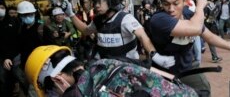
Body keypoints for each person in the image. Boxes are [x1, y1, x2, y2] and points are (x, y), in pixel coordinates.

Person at [149, 0, 230, 97]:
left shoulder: (189, 14)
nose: (171, 9)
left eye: (176, 3)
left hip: (187, 68)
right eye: (166, 4)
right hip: (163, 73)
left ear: (184, 0)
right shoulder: (159, 19)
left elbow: (209, 36)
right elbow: (195, 28)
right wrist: (200, 6)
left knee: (203, 90)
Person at [63, 0, 175, 69]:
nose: (96, 5)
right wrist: (71, 14)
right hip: (108, 70)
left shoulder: (125, 19)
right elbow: (86, 30)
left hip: (128, 69)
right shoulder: (98, 20)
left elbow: (142, 36)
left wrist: (155, 56)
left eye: (99, 1)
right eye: (94, 1)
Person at [25, 45, 198, 97]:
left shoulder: (88, 92)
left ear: (57, 79)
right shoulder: (104, 62)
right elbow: (165, 76)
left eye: (50, 90)